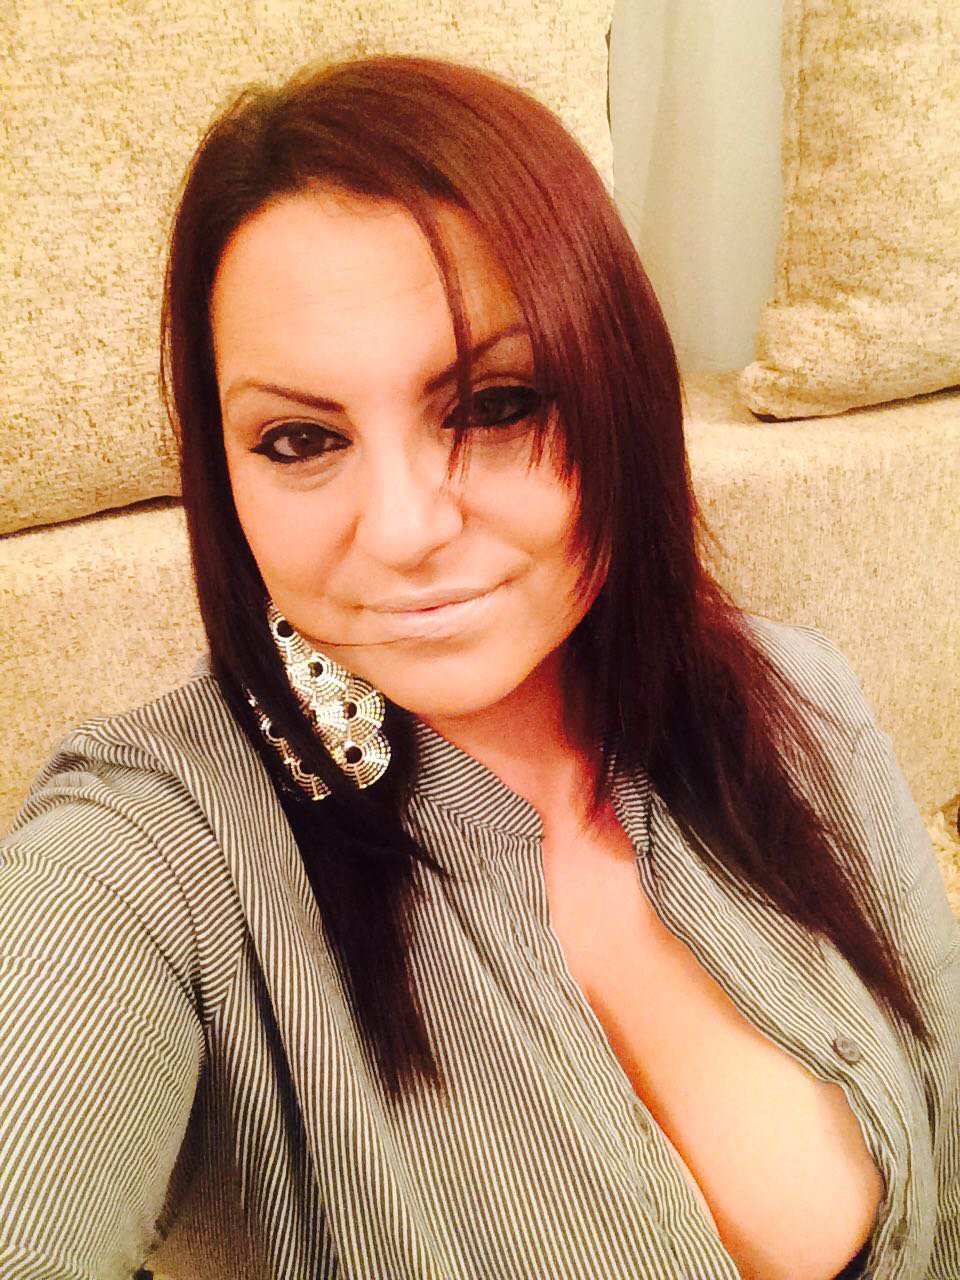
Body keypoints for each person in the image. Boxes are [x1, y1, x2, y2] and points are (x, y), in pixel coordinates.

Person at [0, 54, 956, 1280]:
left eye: (496, 404)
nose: (404, 530)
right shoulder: (151, 851)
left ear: (619, 393)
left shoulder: (797, 701)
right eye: (300, 437)